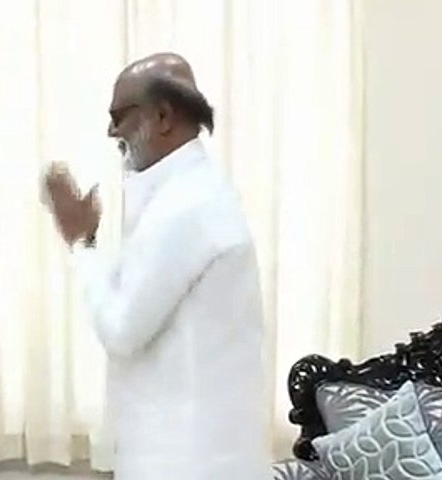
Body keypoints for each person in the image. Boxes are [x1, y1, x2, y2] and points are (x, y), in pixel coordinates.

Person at [42, 53, 269, 479]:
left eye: (119, 117)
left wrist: (81, 244)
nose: (112, 132)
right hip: (195, 450)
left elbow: (121, 329)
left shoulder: (186, 205)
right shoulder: (188, 193)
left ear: (163, 116)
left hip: (188, 459)